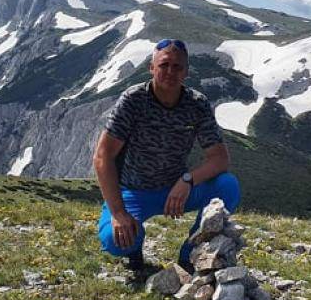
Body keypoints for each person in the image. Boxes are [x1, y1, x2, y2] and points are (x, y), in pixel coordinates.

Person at [93, 38, 241, 278]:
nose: (170, 71)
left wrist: (187, 180)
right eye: (164, 65)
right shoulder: (133, 99)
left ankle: (190, 255)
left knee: (228, 186)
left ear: (186, 72)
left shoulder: (197, 104)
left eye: (177, 66)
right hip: (133, 191)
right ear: (152, 68)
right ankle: (134, 246)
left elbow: (220, 159)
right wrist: (118, 213)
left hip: (175, 190)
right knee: (115, 240)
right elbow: (103, 156)